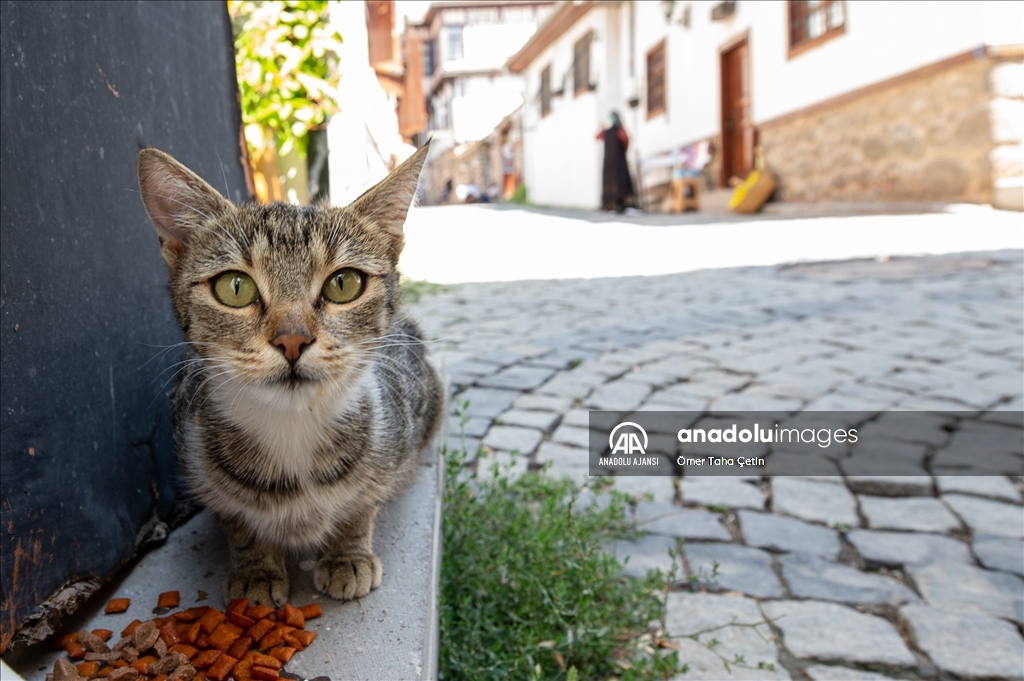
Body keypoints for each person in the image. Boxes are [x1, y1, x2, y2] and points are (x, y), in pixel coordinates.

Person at [596, 112, 635, 212]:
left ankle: (613, 203)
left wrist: (602, 128)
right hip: (618, 161)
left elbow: (597, 136)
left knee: (613, 180)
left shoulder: (607, 132)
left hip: (609, 161)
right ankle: (615, 203)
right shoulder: (619, 130)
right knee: (618, 180)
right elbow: (626, 140)